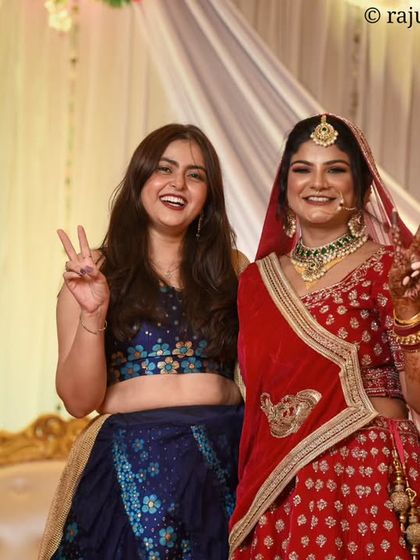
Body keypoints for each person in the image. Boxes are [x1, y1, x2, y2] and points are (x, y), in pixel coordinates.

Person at [38, 124, 247, 560]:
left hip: (222, 469)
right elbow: (78, 401)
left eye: (195, 174)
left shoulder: (233, 271)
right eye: (164, 169)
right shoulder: (95, 271)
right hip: (126, 468)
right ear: (140, 181)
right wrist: (93, 312)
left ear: (209, 196)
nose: (178, 184)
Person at [229, 114, 420, 560]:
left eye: (335, 169)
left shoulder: (389, 269)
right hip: (280, 487)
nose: (318, 183)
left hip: (367, 475)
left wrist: (410, 317)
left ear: (362, 187)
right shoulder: (256, 282)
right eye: (303, 169)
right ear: (284, 186)